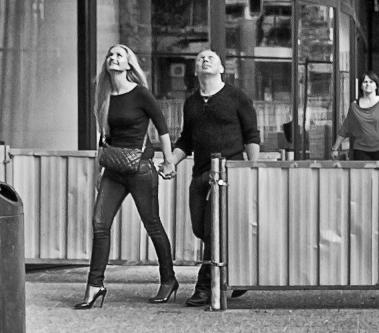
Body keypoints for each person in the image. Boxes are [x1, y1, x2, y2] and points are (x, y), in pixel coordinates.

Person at [76, 44, 179, 310]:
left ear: (128, 64)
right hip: (113, 170)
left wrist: (168, 161)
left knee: (152, 224)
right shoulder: (105, 96)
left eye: (119, 55)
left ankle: (168, 280)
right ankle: (94, 285)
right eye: (110, 55)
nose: (113, 58)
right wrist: (100, 171)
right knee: (100, 224)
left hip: (140, 169)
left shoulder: (140, 94)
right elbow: (105, 138)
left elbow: (163, 128)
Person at [168, 49, 259, 308]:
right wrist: (171, 161)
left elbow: (252, 135)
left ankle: (205, 287)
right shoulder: (192, 103)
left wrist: (251, 170)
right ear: (196, 70)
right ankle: (236, 271)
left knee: (212, 228)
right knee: (200, 228)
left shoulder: (236, 97)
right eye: (200, 59)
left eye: (211, 58)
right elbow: (186, 139)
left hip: (228, 172)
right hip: (200, 172)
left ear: (221, 69)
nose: (205, 60)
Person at [332, 72, 379, 162]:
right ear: (361, 86)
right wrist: (335, 148)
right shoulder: (354, 106)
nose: (368, 84)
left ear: (376, 85)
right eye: (365, 82)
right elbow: (345, 128)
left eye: (371, 82)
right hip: (361, 151)